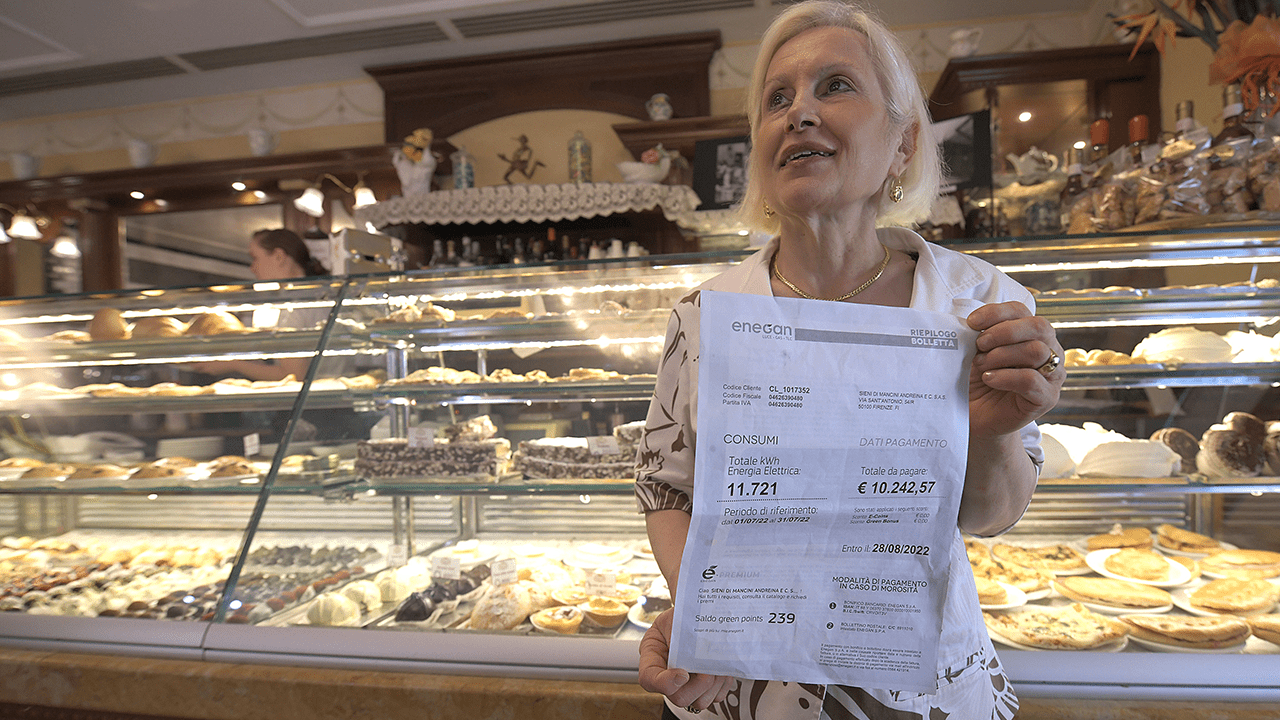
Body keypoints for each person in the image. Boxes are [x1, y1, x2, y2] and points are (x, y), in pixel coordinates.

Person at [632, 3, 1065, 719]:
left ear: (903, 143)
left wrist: (992, 429)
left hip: (918, 686)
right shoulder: (704, 315)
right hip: (745, 685)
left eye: (835, 86)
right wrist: (708, 612)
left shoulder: (978, 303)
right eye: (777, 98)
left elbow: (991, 517)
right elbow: (666, 488)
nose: (798, 113)